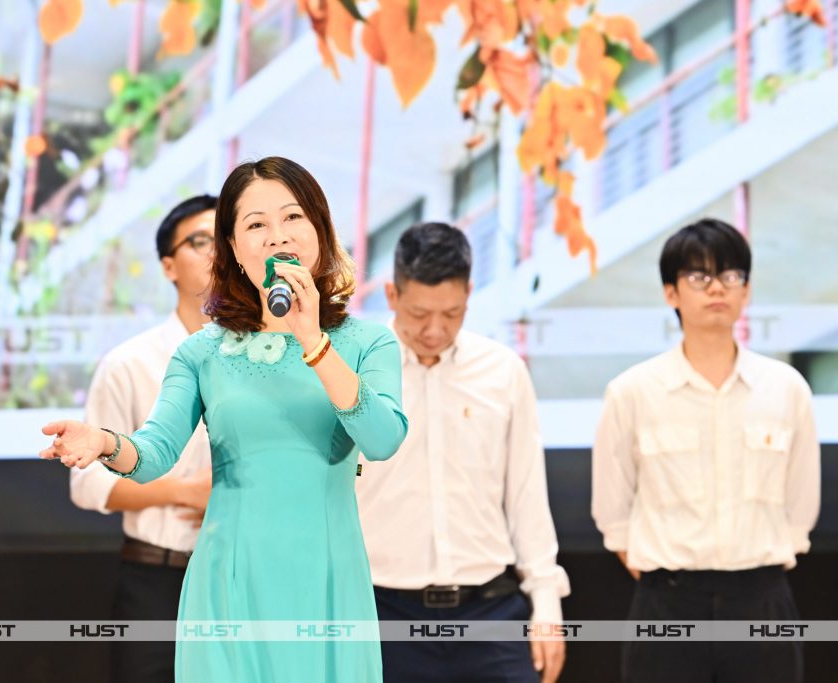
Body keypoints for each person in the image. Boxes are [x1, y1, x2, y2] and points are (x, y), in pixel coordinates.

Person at [40, 156, 409, 682]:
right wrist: (103, 441)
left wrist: (312, 339)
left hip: (326, 580)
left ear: (320, 229)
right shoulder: (202, 352)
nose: (277, 236)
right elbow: (154, 453)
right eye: (256, 225)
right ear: (233, 248)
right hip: (229, 580)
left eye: (293, 217)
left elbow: (383, 438)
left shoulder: (368, 342)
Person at [592, 218, 820, 683]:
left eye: (731, 275)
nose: (717, 288)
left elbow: (800, 510)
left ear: (746, 291)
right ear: (671, 293)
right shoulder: (632, 391)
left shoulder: (786, 388)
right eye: (699, 276)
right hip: (667, 602)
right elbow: (614, 516)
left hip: (761, 599)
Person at [356, 222, 570, 683]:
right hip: (383, 612)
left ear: (470, 295)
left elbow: (526, 495)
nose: (435, 330)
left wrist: (547, 601)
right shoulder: (357, 373)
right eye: (419, 313)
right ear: (392, 295)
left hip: (489, 611)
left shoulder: (503, 372)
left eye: (452, 313)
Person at [70, 194, 217, 683]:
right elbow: (89, 485)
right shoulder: (129, 363)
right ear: (169, 266)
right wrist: (184, 491)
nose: (218, 253)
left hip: (245, 573)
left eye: (227, 240)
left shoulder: (271, 354)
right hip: (158, 578)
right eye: (202, 241)